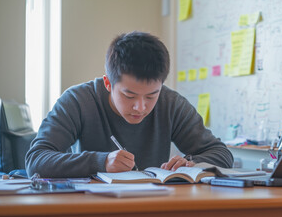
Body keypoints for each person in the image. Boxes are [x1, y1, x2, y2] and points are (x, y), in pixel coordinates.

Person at [25, 31, 233, 178]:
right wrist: (101, 162)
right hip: (91, 210)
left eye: (151, 96)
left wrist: (191, 163)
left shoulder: (171, 103)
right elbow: (36, 160)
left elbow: (222, 154)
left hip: (154, 208)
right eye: (129, 95)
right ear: (108, 83)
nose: (140, 107)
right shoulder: (78, 101)